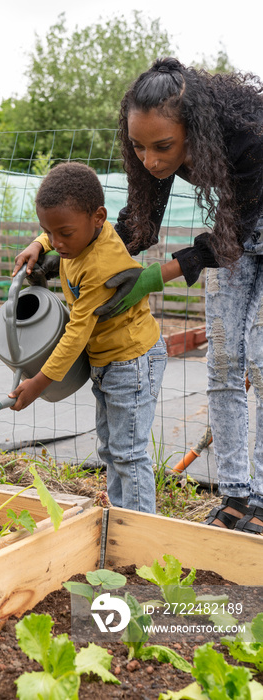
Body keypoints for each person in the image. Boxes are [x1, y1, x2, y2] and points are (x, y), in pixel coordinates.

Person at [92, 57, 263, 534]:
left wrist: (152, 278)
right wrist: (58, 248)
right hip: (236, 234)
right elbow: (137, 226)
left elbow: (232, 235)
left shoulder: (248, 141)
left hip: (243, 228)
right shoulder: (154, 155)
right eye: (138, 146)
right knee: (224, 361)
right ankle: (234, 496)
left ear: (196, 129)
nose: (150, 159)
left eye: (162, 147)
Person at [11, 161, 167, 514]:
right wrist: (39, 244)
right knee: (111, 448)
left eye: (64, 233)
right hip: (109, 361)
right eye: (48, 232)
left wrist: (38, 383)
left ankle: (141, 529)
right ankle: (119, 514)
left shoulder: (100, 265)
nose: (58, 243)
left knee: (128, 452)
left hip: (133, 360)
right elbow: (55, 230)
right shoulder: (77, 239)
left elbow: (76, 334)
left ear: (98, 217)